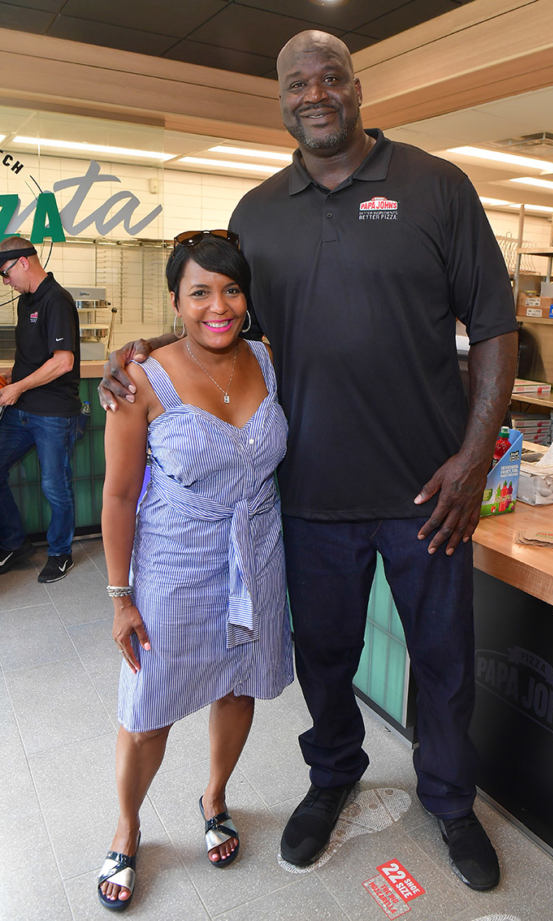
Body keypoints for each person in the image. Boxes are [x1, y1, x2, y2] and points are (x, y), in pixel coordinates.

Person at [100, 31, 518, 893]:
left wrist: (475, 459)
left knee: (442, 658)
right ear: (282, 99)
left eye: (332, 78)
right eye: (298, 82)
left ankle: (447, 797)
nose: (315, 93)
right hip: (309, 494)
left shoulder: (437, 186)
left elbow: (496, 329)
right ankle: (333, 776)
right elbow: (227, 323)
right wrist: (144, 347)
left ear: (358, 89)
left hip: (428, 492)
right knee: (323, 658)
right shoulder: (258, 212)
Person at [98, 231, 293, 911]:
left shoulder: (268, 360)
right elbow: (119, 495)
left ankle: (214, 796)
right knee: (149, 709)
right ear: (176, 301)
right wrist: (120, 596)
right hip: (174, 564)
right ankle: (128, 825)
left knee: (237, 688)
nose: (218, 305)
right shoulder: (139, 378)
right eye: (201, 291)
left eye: (231, 289)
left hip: (258, 553)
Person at [0, 236, 82, 582]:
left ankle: (61, 553)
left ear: (22, 262)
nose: (5, 282)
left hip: (53, 413)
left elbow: (63, 362)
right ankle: (14, 543)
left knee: (54, 485)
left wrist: (17, 387)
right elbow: (35, 357)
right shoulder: (25, 302)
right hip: (22, 410)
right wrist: (11, 376)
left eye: (5, 274)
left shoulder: (57, 300)